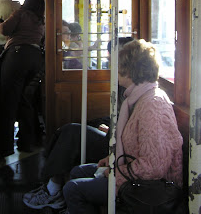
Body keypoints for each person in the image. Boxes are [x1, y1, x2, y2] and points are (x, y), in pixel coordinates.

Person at [61, 39, 183, 214]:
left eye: (119, 66)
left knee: (72, 189)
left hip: (148, 187)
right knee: (78, 171)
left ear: (131, 71)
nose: (114, 70)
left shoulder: (153, 105)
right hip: (133, 172)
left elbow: (154, 167)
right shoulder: (137, 98)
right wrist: (112, 161)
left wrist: (118, 172)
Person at [23, 37, 133, 210]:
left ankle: (53, 190)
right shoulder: (123, 83)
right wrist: (111, 126)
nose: (109, 60)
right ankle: (50, 183)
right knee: (66, 130)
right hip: (113, 136)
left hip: (117, 146)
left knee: (72, 132)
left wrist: (113, 130)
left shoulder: (130, 87)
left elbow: (130, 128)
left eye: (112, 57)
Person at [0, 0, 45, 158]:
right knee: (25, 101)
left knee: (8, 101)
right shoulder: (41, 20)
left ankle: (5, 147)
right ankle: (27, 142)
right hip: (36, 58)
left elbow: (5, 30)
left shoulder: (20, 14)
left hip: (17, 57)